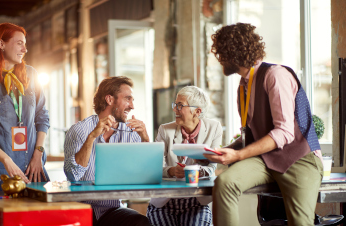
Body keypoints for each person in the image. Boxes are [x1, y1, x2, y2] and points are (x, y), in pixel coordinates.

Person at [204, 23, 323, 226]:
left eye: (220, 53)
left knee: (300, 223)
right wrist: (225, 151)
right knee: (224, 183)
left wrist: (239, 155)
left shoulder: (275, 76)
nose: (218, 59)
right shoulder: (243, 88)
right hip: (266, 160)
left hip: (300, 159)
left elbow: (284, 133)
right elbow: (250, 136)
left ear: (232, 54)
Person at [0, 23, 50, 184]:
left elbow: (43, 117)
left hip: (34, 168)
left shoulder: (32, 75)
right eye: (19, 43)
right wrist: (6, 160)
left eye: (25, 44)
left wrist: (38, 154)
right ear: (1, 44)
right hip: (1, 174)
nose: (24, 49)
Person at [64, 76, 151, 226]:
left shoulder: (131, 133)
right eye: (128, 99)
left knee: (141, 223)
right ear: (110, 100)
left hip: (111, 210)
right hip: (80, 208)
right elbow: (73, 175)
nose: (132, 106)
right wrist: (92, 137)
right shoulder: (80, 130)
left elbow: (145, 172)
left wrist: (145, 139)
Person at [146, 86, 222, 226]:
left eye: (180, 106)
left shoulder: (214, 128)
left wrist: (195, 171)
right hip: (164, 203)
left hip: (196, 202)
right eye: (175, 105)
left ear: (197, 111)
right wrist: (172, 171)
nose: (175, 109)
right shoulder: (165, 130)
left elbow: (212, 167)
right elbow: (154, 167)